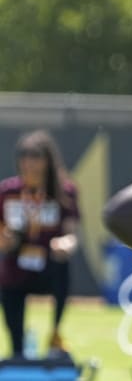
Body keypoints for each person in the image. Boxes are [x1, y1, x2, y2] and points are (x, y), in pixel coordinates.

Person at [0, 130, 80, 358]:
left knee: (62, 269)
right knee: (8, 281)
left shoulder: (65, 192)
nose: (29, 165)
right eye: (24, 159)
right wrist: (6, 239)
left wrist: (64, 244)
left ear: (47, 161)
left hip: (48, 266)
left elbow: (72, 233)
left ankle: (55, 336)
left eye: (35, 158)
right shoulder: (8, 192)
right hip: (16, 266)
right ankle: (17, 352)